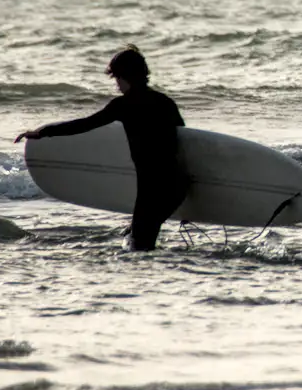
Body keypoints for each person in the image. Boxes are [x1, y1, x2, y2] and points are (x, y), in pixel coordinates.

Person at [17, 46, 187, 251]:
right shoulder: (166, 102)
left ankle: (152, 276)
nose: (117, 86)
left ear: (125, 77)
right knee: (140, 234)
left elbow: (84, 125)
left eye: (117, 79)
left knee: (139, 246)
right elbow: (186, 143)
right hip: (177, 186)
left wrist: (43, 131)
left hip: (152, 188)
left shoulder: (124, 105)